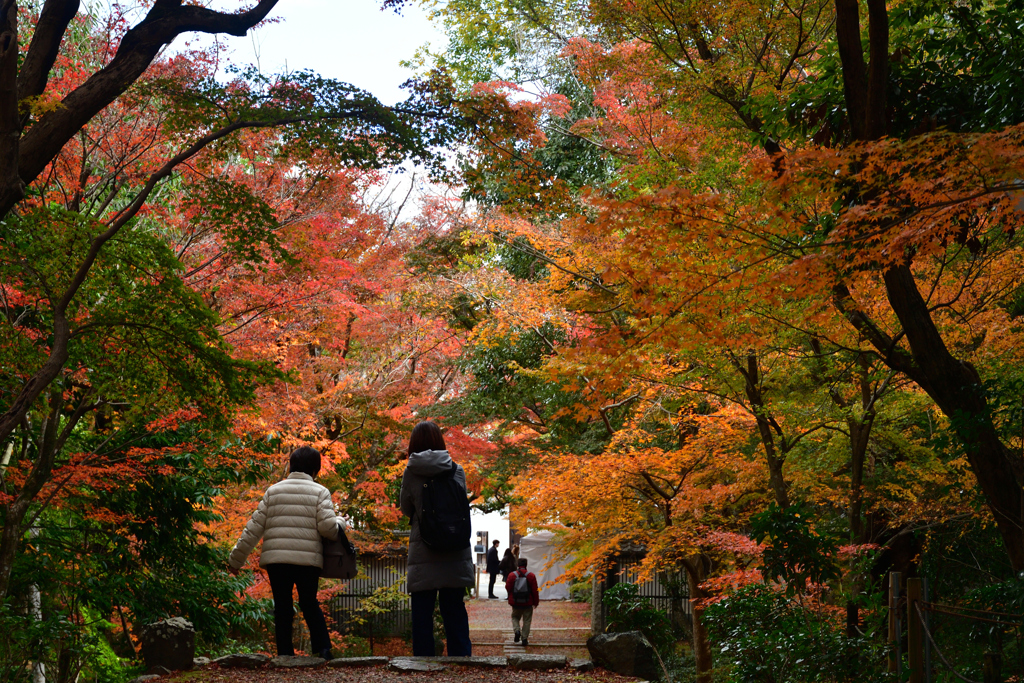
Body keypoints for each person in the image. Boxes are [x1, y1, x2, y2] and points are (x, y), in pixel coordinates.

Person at [228, 446, 341, 660]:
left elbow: (253, 529)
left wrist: (236, 560)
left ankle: (284, 655)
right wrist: (340, 523)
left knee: (282, 607)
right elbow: (328, 529)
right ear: (315, 469)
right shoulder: (320, 492)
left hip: (277, 560)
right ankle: (323, 650)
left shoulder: (273, 491)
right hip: (308, 560)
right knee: (309, 603)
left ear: (292, 466)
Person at [399, 421, 474, 656]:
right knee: (454, 609)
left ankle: (423, 663)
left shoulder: (411, 472)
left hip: (424, 549)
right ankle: (461, 662)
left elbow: (406, 508)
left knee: (422, 612)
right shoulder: (457, 470)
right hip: (454, 548)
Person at [506, 557, 540, 646]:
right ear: (526, 565)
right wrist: (536, 602)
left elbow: (508, 587)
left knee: (515, 617)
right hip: (528, 602)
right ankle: (524, 638)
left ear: (517, 564)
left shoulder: (512, 575)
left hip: (516, 602)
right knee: (527, 620)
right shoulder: (531, 576)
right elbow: (535, 590)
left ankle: (517, 630)